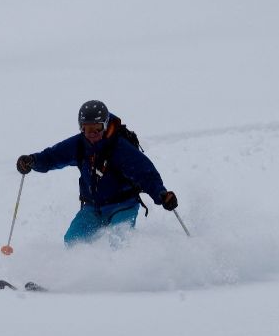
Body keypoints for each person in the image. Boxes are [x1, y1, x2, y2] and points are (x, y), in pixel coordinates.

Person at [16, 100, 178, 246]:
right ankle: (78, 277)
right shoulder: (78, 145)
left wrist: (162, 195)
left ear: (105, 125)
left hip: (124, 206)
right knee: (73, 241)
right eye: (87, 129)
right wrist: (32, 161)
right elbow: (52, 157)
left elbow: (146, 174)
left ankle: (124, 277)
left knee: (118, 242)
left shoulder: (120, 148)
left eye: (97, 129)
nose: (92, 134)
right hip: (93, 208)